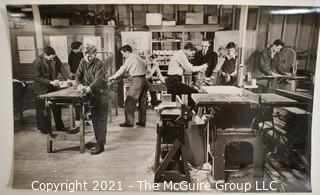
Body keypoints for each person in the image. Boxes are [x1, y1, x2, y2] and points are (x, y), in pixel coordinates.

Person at [75, 44, 108, 155]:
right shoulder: (82, 62)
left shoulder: (99, 63)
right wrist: (79, 85)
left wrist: (89, 87)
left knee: (101, 120)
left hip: (101, 93)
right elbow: (77, 76)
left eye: (91, 56)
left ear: (95, 54)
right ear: (83, 55)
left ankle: (100, 145)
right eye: (86, 56)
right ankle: (99, 141)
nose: (89, 58)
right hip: (91, 94)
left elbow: (98, 79)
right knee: (94, 119)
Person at [32, 46, 71, 134]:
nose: (53, 58)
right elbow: (37, 77)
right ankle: (44, 129)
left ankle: (60, 126)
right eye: (51, 57)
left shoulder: (54, 56)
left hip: (52, 87)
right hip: (41, 88)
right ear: (45, 55)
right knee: (43, 110)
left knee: (56, 107)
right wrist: (50, 82)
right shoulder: (37, 62)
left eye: (54, 56)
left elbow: (61, 67)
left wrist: (67, 78)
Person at [108, 45, 148, 128]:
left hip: (137, 81)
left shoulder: (129, 59)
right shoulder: (138, 57)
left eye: (123, 54)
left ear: (127, 52)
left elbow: (122, 70)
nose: (123, 56)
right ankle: (142, 122)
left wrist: (112, 77)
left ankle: (129, 123)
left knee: (129, 102)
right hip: (144, 79)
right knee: (142, 103)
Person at [165, 43, 207, 108]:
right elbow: (190, 68)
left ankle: (179, 114)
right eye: (192, 53)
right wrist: (202, 67)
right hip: (173, 81)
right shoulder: (181, 55)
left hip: (172, 80)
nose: (191, 56)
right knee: (193, 92)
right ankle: (192, 111)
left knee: (175, 101)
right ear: (189, 50)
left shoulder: (180, 53)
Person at [68, 41, 84, 121]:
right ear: (75, 48)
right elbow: (73, 68)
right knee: (77, 97)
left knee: (83, 97)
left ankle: (83, 116)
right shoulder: (71, 55)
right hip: (77, 78)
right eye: (80, 47)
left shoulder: (80, 54)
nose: (82, 48)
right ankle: (78, 117)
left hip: (83, 77)